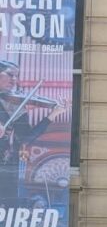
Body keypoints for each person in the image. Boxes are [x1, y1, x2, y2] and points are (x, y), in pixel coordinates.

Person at [0, 59, 67, 200]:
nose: (14, 79)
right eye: (10, 74)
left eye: (16, 76)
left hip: (5, 166)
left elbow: (26, 138)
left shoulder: (14, 105)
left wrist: (53, 114)